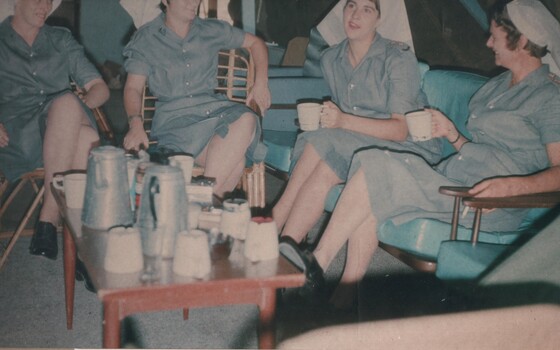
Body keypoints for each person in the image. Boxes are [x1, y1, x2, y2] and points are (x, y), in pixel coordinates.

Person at [279, 0, 560, 309]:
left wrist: (510, 187)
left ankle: (315, 265)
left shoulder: (548, 97)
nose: (488, 42)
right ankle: (342, 299)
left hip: (489, 204)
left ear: (521, 41)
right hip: (454, 176)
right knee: (374, 167)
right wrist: (453, 134)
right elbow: (480, 151)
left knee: (376, 173)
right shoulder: (497, 87)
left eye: (495, 36)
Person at [272, 0, 441, 245]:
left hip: (410, 146)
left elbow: (400, 129)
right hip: (356, 140)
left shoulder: (397, 57)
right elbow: (348, 111)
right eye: (351, 5)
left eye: (367, 9)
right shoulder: (331, 58)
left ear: (379, 19)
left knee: (322, 140)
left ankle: (275, 221)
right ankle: (287, 246)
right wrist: (331, 118)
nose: (355, 15)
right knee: (325, 164)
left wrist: (342, 121)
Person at [122, 0, 271, 198]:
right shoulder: (146, 38)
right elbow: (132, 88)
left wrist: (261, 81)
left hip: (215, 114)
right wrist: (135, 122)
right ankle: (200, 207)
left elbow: (255, 43)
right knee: (237, 163)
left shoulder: (210, 29)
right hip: (176, 127)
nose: (194, 2)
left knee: (246, 118)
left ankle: (196, 203)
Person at [0, 0, 110, 260]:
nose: (45, 5)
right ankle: (83, 249)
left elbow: (100, 88)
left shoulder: (60, 38)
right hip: (18, 139)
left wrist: (80, 105)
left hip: (62, 131)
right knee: (87, 137)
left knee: (70, 110)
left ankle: (48, 222)